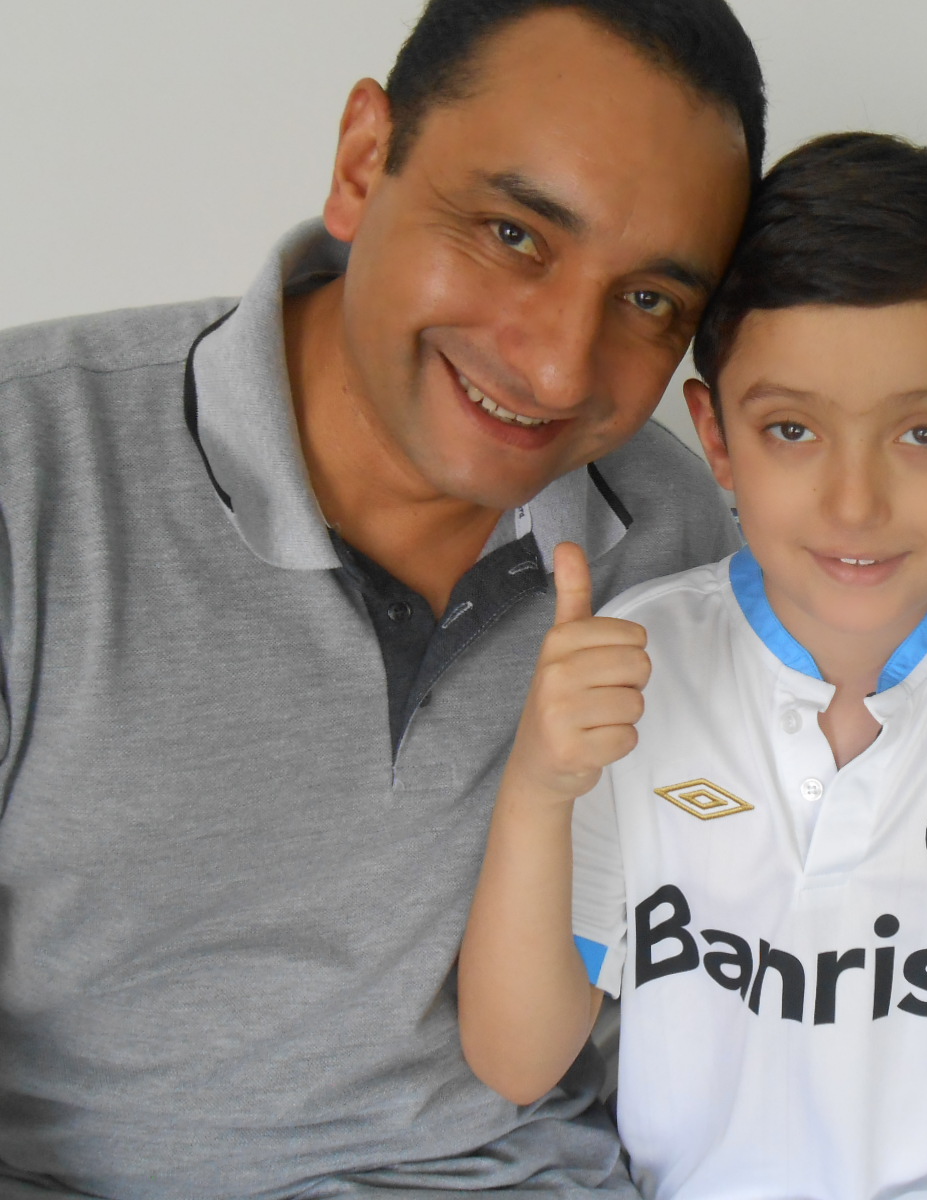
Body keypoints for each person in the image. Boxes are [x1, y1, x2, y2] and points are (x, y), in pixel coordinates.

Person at [0, 1, 763, 1195]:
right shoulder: (26, 472)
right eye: (515, 233)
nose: (559, 365)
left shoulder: (673, 533)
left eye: (650, 301)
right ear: (365, 162)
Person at [456, 131, 927, 1200]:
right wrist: (539, 789)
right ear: (715, 439)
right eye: (791, 430)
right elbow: (517, 1059)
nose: (854, 503)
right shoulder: (640, 661)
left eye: (922, 435)